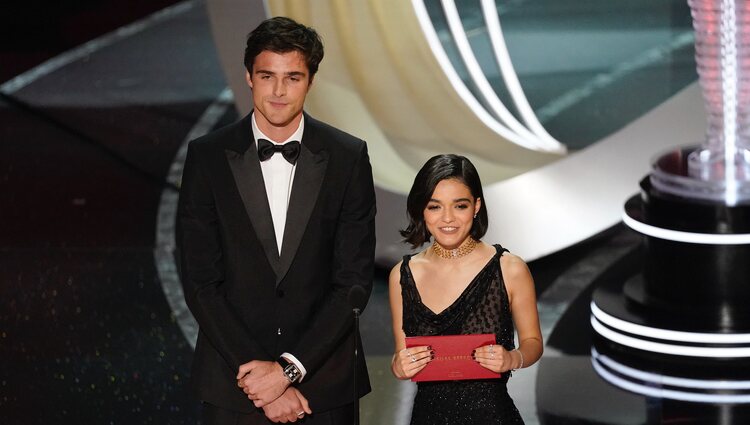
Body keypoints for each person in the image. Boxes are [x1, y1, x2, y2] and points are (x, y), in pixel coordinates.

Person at [176, 16, 376, 425]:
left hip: (323, 384)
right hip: (235, 384)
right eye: (268, 76)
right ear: (249, 77)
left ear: (311, 81)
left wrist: (288, 371)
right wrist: (259, 380)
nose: (280, 91)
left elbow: (353, 282)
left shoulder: (347, 157)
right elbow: (200, 282)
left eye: (293, 78)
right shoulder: (207, 156)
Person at [388, 154, 543, 424]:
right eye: (434, 207)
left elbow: (533, 343)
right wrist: (398, 365)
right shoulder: (403, 275)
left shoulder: (509, 269)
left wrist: (512, 358)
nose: (447, 218)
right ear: (421, 210)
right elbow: (401, 355)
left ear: (476, 206)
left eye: (459, 205)